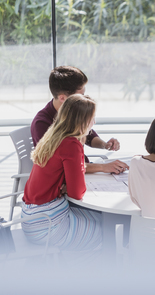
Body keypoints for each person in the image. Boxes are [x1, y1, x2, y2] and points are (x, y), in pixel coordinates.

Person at [22, 94, 102, 250]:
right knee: (103, 230)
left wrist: (66, 184)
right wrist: (71, 184)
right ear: (84, 121)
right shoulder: (71, 144)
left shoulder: (53, 135)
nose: (94, 122)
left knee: (99, 218)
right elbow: (77, 193)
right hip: (46, 224)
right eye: (93, 118)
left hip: (30, 216)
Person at [31, 66, 128, 174]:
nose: (84, 98)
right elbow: (62, 166)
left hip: (82, 170)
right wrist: (103, 167)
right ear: (62, 98)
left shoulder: (71, 112)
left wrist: (105, 145)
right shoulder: (42, 124)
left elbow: (89, 136)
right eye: (80, 95)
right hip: (65, 180)